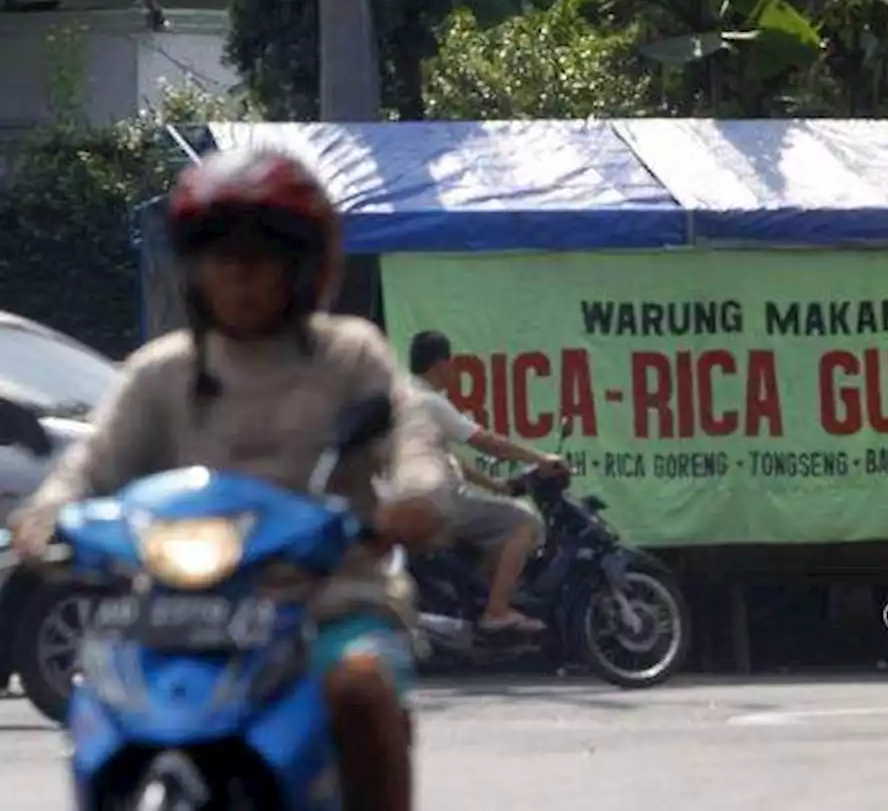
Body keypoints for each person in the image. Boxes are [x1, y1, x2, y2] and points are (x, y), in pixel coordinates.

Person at [7, 148, 457, 811]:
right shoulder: (162, 372)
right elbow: (88, 465)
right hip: (179, 615)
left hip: (327, 601)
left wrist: (416, 500)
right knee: (100, 696)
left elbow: (412, 437)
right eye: (221, 257)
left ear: (305, 267)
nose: (239, 277)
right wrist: (46, 517)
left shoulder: (349, 355)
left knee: (361, 687)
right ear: (194, 270)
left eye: (261, 258)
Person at [410, 329, 564, 633]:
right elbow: (485, 442)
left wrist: (498, 487)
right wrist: (540, 459)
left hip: (416, 499)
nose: (453, 369)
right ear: (439, 364)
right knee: (526, 523)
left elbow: (451, 459)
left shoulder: (403, 396)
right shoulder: (430, 402)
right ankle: (497, 610)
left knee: (499, 522)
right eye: (450, 363)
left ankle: (476, 598)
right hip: (441, 501)